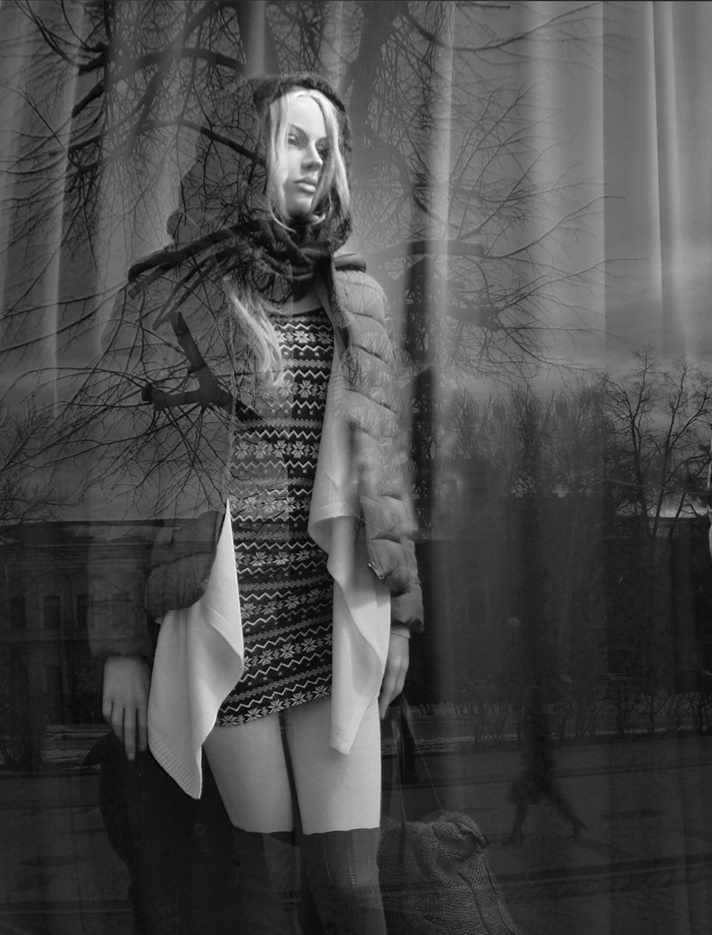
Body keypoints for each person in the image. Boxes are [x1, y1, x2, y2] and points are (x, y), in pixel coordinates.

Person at [92, 73, 423, 934]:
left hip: (330, 611)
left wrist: (400, 611)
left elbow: (385, 465)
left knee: (350, 887)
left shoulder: (358, 296)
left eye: (327, 144)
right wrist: (120, 647)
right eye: (295, 138)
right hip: (228, 618)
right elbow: (125, 472)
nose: (317, 157)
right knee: (268, 883)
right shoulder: (169, 293)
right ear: (245, 153)